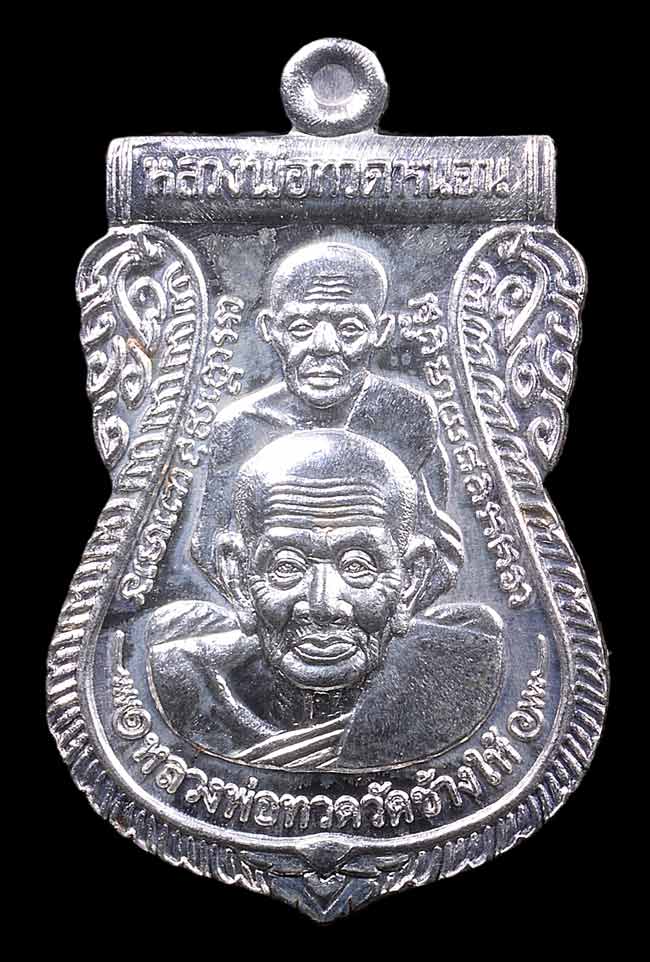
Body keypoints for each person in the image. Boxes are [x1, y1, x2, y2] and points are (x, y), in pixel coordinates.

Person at [149, 430, 503, 771]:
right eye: (286, 566)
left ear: (410, 580)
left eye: (357, 566)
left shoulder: (462, 680)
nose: (324, 606)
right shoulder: (188, 686)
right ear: (238, 577)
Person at [192, 240, 462, 609]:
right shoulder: (241, 426)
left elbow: (435, 548)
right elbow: (210, 546)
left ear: (381, 331)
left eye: (350, 328)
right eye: (300, 327)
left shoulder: (405, 414)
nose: (323, 345)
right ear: (270, 329)